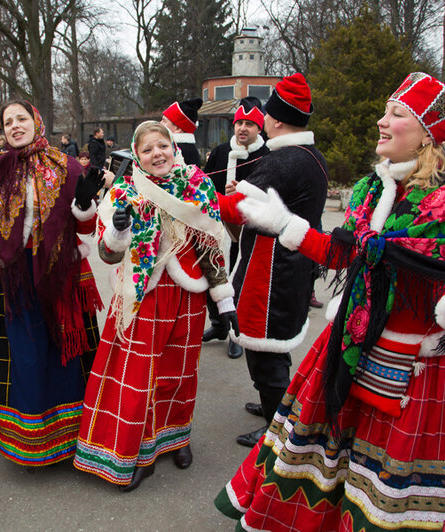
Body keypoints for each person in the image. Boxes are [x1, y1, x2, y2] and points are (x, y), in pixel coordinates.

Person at [215, 72, 445, 531]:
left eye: (396, 114)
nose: (381, 121)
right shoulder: (369, 189)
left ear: (427, 135)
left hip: (411, 364)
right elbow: (349, 253)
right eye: (385, 110)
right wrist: (286, 226)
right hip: (351, 342)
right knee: (323, 452)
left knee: (382, 472)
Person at [74, 121, 238, 492]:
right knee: (138, 375)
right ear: (137, 156)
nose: (157, 154)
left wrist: (223, 299)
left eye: (162, 145)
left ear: (173, 147)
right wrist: (117, 230)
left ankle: (176, 439)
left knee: (179, 374)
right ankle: (137, 454)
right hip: (141, 294)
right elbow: (107, 253)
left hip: (188, 295)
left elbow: (211, 246)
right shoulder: (125, 192)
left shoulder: (197, 184)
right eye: (147, 150)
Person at [0, 100, 106, 466]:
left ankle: (75, 439)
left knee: (66, 358)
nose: (15, 126)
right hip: (13, 281)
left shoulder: (68, 166)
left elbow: (86, 231)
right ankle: (32, 443)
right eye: (8, 122)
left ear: (37, 122)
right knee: (25, 360)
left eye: (22, 119)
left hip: (60, 278)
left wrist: (83, 206)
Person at [215, 74, 329, 448]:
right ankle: (274, 406)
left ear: (275, 120)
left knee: (265, 349)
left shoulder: (285, 161)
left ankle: (277, 427)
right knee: (273, 346)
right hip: (289, 266)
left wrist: (199, 193)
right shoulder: (309, 155)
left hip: (272, 271)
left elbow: (235, 208)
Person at [202, 96, 269, 360]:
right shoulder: (220, 152)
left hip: (248, 229)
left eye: (249, 124)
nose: (243, 128)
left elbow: (270, 194)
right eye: (239, 123)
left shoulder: (267, 155)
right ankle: (218, 326)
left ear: (259, 128)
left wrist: (242, 192)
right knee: (212, 277)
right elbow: (205, 185)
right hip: (217, 226)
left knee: (237, 281)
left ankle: (235, 333)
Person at [160, 98, 203, 166]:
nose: (160, 124)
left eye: (164, 121)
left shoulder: (174, 149)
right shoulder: (189, 149)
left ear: (177, 128)